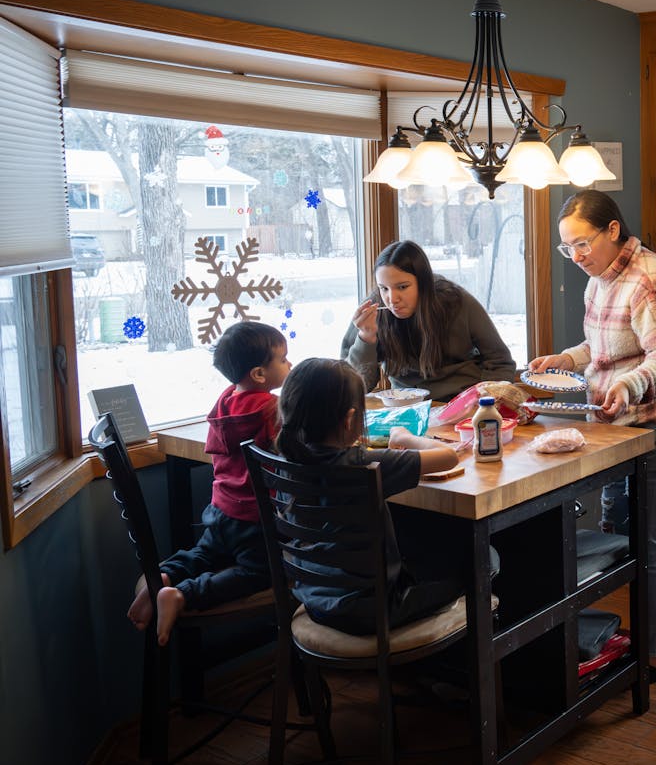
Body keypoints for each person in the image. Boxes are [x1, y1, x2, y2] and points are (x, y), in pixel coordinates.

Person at [528, 189, 656, 683]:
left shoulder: (651, 279)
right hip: (617, 430)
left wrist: (628, 385)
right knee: (623, 536)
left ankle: (652, 657)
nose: (576, 256)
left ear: (612, 231)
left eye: (581, 244)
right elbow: (603, 345)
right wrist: (567, 359)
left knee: (649, 543)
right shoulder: (600, 280)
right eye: (567, 248)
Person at [272, 357, 472, 635]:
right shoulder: (364, 465)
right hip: (375, 610)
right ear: (349, 419)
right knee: (482, 561)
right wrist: (405, 437)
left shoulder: (286, 461)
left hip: (315, 601)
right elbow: (449, 456)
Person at [126, 320, 291, 646]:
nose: (290, 364)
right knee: (260, 571)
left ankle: (164, 575)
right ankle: (183, 594)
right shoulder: (271, 409)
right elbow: (291, 451)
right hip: (256, 520)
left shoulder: (227, 399)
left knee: (204, 554)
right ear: (259, 374)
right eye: (284, 359)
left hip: (220, 510)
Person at [341, 240, 518, 402]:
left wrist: (481, 401)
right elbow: (355, 386)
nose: (392, 298)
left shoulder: (456, 301)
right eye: (384, 288)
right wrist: (366, 338)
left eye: (402, 287)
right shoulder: (372, 311)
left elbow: (501, 362)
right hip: (407, 407)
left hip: (463, 403)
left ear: (424, 283)